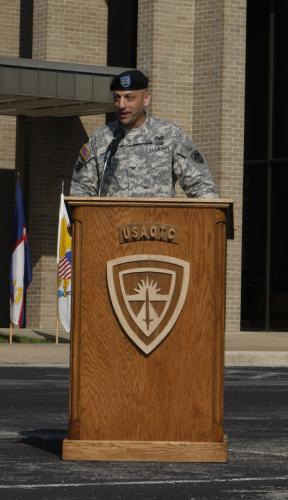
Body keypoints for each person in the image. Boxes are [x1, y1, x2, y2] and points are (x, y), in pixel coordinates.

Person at [70, 69, 217, 198]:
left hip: (159, 228)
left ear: (146, 99)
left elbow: (201, 187)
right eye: (117, 98)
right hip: (111, 227)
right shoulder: (99, 140)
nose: (121, 105)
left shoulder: (170, 135)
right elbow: (80, 191)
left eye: (129, 98)